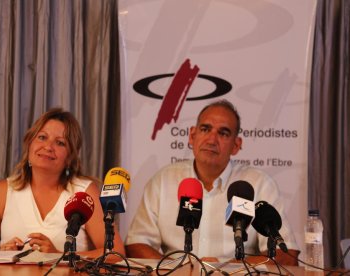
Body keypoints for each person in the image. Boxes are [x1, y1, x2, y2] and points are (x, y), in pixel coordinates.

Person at [125, 99, 300, 265]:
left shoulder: (258, 184)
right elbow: (137, 244)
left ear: (236, 145)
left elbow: (286, 254)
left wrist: (227, 270)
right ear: (192, 136)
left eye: (223, 133)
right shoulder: (162, 182)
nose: (212, 139)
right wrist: (176, 271)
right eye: (205, 129)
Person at [0, 108, 125, 258]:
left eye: (60, 143)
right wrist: (1, 256)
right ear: (29, 145)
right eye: (42, 137)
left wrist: (60, 256)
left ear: (70, 157)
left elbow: (115, 253)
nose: (48, 146)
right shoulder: (3, 191)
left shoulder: (85, 192)